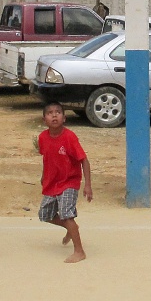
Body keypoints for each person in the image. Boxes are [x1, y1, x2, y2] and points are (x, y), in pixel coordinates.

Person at [37, 101, 92, 263]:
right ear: (44, 119)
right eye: (50, 113)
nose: (54, 115)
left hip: (69, 182)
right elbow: (46, 158)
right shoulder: (42, 138)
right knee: (44, 215)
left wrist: (87, 185)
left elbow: (84, 160)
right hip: (52, 183)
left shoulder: (69, 137)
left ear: (64, 118)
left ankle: (79, 251)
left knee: (67, 214)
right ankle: (71, 228)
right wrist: (43, 176)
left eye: (58, 112)